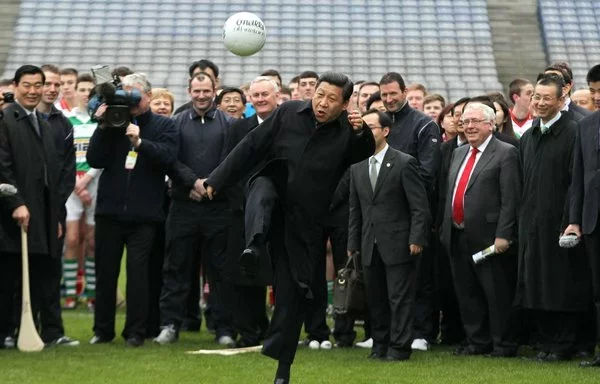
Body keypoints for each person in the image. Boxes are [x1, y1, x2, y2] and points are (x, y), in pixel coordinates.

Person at [204, 72, 375, 384]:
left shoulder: (348, 134)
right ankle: (253, 247)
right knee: (263, 186)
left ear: (345, 104)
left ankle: (282, 370)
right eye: (319, 94)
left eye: (331, 99)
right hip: (271, 191)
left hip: (305, 219)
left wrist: (361, 130)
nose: (322, 102)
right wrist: (216, 179)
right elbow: (251, 145)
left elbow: (364, 151)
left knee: (292, 295)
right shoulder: (287, 113)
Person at [87, 73, 178, 347]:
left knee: (139, 275)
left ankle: (136, 331)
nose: (129, 100)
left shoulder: (164, 124)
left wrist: (141, 143)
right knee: (105, 273)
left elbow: (168, 157)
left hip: (145, 215)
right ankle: (102, 331)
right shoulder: (113, 122)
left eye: (135, 94)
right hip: (109, 212)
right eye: (125, 93)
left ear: (148, 97)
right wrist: (102, 126)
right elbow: (95, 158)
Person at [154, 72, 238, 347]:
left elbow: (232, 160)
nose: (201, 95)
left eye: (206, 90)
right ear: (189, 91)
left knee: (221, 270)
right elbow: (169, 159)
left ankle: (224, 327)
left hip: (218, 208)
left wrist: (211, 184)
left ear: (215, 90)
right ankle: (170, 324)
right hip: (183, 206)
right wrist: (191, 182)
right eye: (196, 91)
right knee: (176, 268)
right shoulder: (175, 122)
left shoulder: (229, 123)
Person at [0, 65, 76, 348]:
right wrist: (15, 202)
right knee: (10, 277)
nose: (33, 91)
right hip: (12, 214)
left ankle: (40, 329)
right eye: (27, 85)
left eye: (38, 85)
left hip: (42, 214)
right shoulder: (5, 118)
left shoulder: (43, 123)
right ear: (16, 86)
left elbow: (52, 174)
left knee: (40, 274)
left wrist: (54, 215)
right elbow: (2, 165)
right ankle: (6, 332)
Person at [516, 73, 590, 362]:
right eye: (536, 96)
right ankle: (545, 341)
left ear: (562, 99)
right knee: (537, 282)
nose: (540, 102)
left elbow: (576, 182)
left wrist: (571, 219)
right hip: (532, 222)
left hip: (561, 222)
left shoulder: (575, 131)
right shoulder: (531, 133)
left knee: (562, 283)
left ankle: (564, 343)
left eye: (547, 98)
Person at [440, 102, 521, 357]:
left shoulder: (505, 152)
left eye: (476, 121)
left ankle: (503, 344)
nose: (470, 126)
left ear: (491, 124)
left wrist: (504, 234)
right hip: (457, 234)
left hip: (489, 237)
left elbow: (511, 198)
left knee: (496, 293)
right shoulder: (458, 153)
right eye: (466, 121)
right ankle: (477, 342)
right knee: (467, 293)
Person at [348, 109, 430, 361]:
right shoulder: (357, 166)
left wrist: (416, 238)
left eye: (371, 127)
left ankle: (399, 346)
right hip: (369, 245)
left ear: (385, 131)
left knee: (400, 298)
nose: (366, 132)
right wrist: (353, 244)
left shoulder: (405, 162)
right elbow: (355, 209)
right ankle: (379, 344)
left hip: (398, 243)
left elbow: (419, 206)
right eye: (363, 128)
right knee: (376, 300)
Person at [380, 72, 440, 351]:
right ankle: (393, 330)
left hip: (413, 211)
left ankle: (422, 332)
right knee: (390, 277)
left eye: (393, 93)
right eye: (384, 95)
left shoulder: (424, 125)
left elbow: (428, 174)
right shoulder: (381, 123)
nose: (389, 99)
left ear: (405, 92)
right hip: (384, 213)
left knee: (419, 275)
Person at [565, 64, 600, 368]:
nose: (597, 96)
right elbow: (578, 177)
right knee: (598, 291)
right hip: (593, 221)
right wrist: (575, 219)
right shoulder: (586, 126)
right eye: (594, 90)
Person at [62, 73, 101, 311]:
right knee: (73, 239)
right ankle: (70, 293)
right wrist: (76, 184)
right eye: (82, 89)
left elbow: (103, 156)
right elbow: (62, 155)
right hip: (71, 188)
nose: (86, 93)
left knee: (93, 242)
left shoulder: (101, 122)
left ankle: (91, 293)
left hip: (95, 185)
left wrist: (86, 180)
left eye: (90, 90)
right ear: (74, 92)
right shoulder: (66, 120)